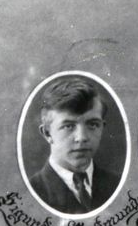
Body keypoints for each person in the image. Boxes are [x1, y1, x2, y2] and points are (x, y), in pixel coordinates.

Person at [26, 75, 117, 214]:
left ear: (102, 127)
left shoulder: (119, 185)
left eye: (93, 124)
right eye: (68, 126)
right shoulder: (30, 193)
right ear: (47, 133)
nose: (81, 138)